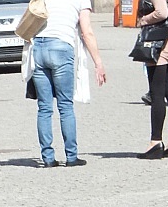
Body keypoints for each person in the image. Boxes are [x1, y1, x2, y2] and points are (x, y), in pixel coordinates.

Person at [21, 0, 106, 167]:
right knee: (65, 105)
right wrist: (98, 63)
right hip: (61, 47)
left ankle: (48, 158)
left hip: (38, 47)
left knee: (44, 107)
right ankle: (71, 156)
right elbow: (86, 32)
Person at [134, 0, 168, 158]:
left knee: (157, 92)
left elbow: (162, 12)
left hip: (160, 40)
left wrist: (143, 20)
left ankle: (155, 142)